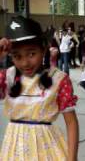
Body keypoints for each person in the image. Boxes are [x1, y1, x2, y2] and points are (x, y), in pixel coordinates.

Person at [0, 16, 79, 160]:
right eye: (17, 56)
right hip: (14, 150)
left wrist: (72, 158)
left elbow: (71, 121)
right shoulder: (7, 77)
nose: (25, 63)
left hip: (47, 149)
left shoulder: (59, 79)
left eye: (31, 54)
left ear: (43, 50)